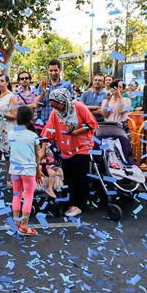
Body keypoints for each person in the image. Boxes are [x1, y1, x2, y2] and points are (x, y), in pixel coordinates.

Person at [41, 88, 98, 217]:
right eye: (54, 106)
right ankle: (70, 203)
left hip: (82, 147)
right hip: (65, 149)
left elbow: (91, 124)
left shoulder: (79, 107)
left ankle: (78, 205)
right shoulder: (55, 113)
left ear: (64, 101)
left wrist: (76, 132)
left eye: (58, 105)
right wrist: (42, 150)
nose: (57, 108)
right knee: (68, 177)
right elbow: (48, 131)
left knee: (79, 177)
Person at [8, 106, 43, 236]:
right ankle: (24, 225)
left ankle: (16, 222)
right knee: (28, 196)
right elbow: (37, 155)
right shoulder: (33, 135)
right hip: (28, 169)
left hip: (15, 169)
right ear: (30, 118)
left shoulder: (11, 133)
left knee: (16, 195)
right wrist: (38, 170)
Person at [34, 60, 72, 130]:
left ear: (60, 70)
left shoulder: (66, 85)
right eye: (51, 71)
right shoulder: (42, 85)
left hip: (61, 123)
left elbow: (71, 106)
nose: (53, 73)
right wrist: (43, 92)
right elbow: (38, 105)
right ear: (48, 71)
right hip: (45, 123)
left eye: (55, 70)